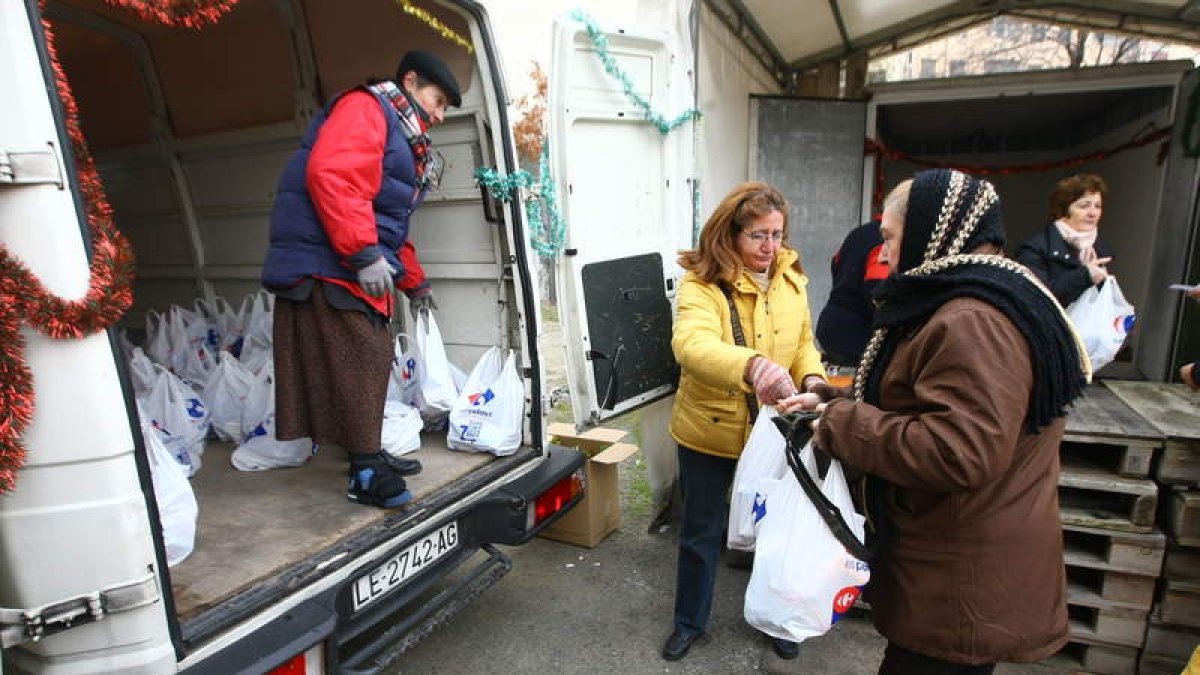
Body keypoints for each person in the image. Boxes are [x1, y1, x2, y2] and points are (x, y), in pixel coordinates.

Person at [782, 169, 1090, 674]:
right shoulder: (985, 296)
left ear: (934, 230)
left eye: (888, 239)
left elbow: (958, 450)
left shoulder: (973, 318)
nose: (879, 256)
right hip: (959, 567)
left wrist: (841, 423)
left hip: (959, 585)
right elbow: (935, 403)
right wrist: (831, 399)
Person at [261, 50, 461, 508]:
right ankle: (366, 471)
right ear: (410, 82)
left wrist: (416, 282)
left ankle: (368, 455)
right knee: (363, 360)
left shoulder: (404, 139)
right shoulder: (367, 109)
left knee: (368, 364)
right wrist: (362, 252)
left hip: (345, 262)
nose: (440, 114)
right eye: (437, 100)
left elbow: (392, 223)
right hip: (324, 263)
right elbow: (331, 174)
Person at [662, 182, 827, 662]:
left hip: (776, 430)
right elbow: (691, 346)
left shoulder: (791, 275)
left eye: (777, 234)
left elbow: (802, 342)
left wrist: (812, 378)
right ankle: (689, 622)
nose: (770, 247)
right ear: (729, 235)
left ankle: (780, 621)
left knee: (779, 531)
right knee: (701, 532)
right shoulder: (700, 283)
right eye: (758, 235)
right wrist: (752, 366)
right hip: (709, 430)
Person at [1015, 173, 1114, 307]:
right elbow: (1038, 299)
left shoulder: (1099, 249)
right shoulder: (1034, 249)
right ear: (1063, 209)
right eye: (1084, 206)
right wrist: (1085, 275)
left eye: (1098, 206)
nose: (1093, 213)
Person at [815, 217, 886, 367]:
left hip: (831, 325)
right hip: (857, 339)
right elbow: (879, 295)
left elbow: (836, 265)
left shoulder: (859, 233)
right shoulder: (884, 240)